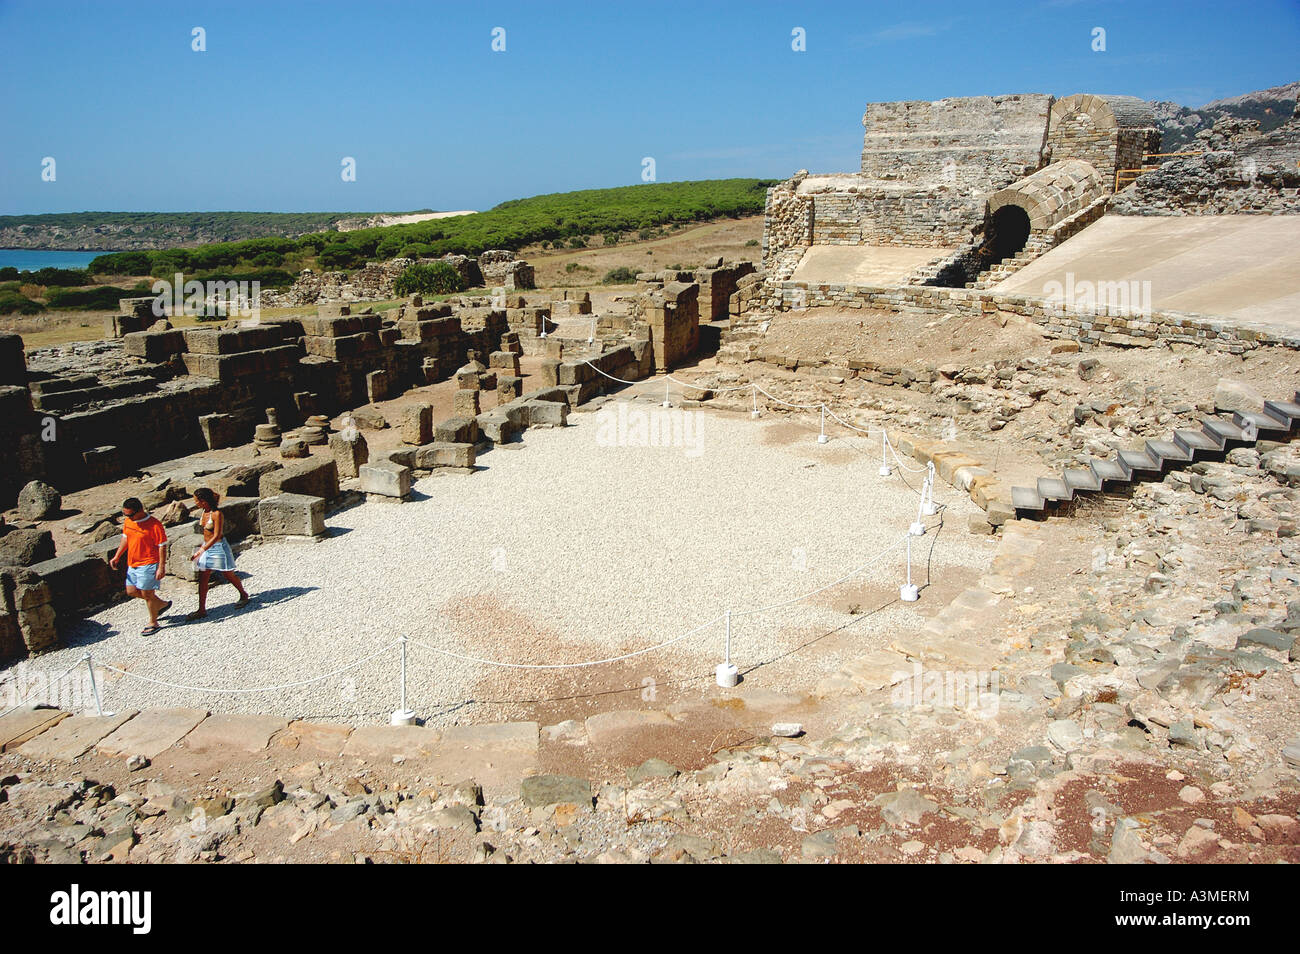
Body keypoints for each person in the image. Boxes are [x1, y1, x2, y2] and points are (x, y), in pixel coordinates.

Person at [109, 497, 172, 635]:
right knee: (131, 591)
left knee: (147, 594)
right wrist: (117, 556)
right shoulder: (128, 522)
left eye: (130, 515)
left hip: (149, 563)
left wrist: (161, 567)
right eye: (125, 515)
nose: (128, 517)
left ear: (140, 511)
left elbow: (162, 546)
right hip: (133, 563)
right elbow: (126, 538)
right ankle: (160, 604)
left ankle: (153, 622)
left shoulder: (154, 525)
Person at [187, 487, 250, 619]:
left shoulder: (217, 514)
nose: (195, 503)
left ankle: (243, 594)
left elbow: (217, 535)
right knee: (203, 578)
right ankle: (201, 609)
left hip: (218, 548)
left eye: (196, 500)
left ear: (203, 501)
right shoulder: (204, 512)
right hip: (207, 547)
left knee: (228, 574)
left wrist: (200, 551)